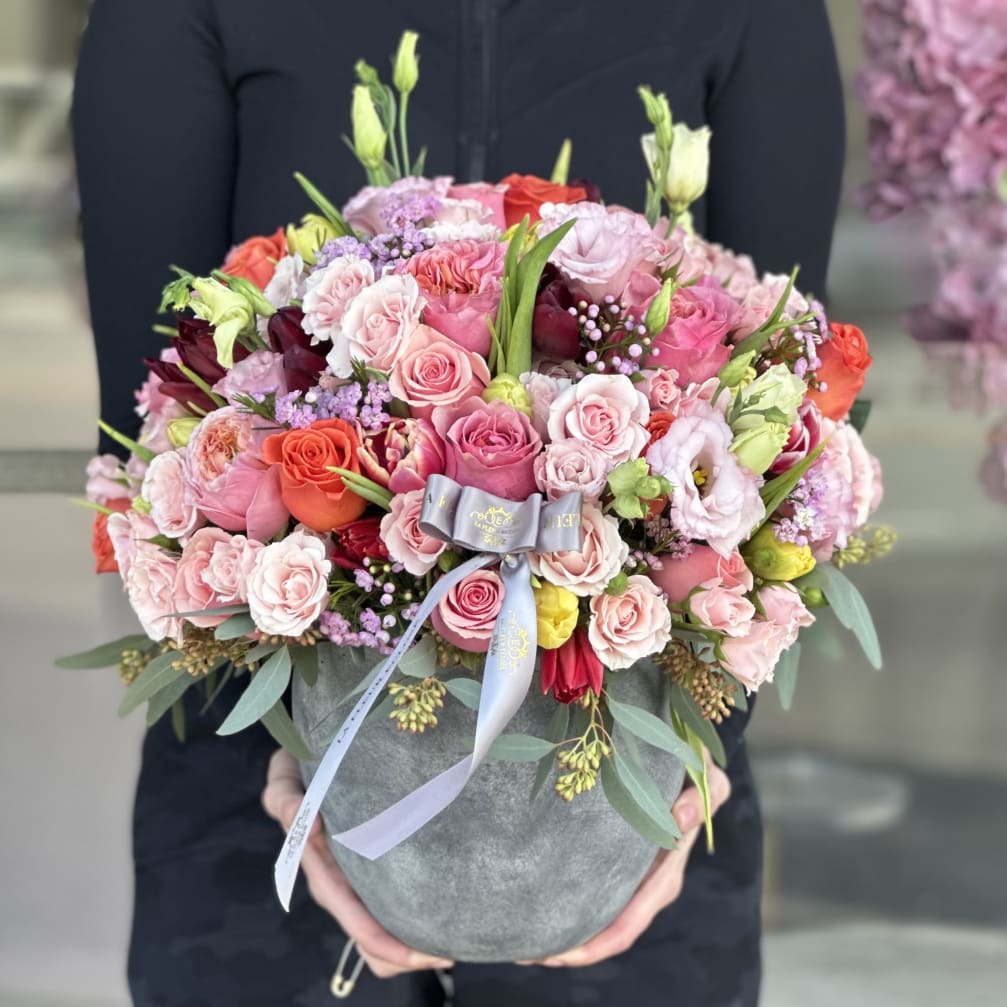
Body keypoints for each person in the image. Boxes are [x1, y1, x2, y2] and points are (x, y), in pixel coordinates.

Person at [72, 1, 844, 1003]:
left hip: (634, 813)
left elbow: (781, 431)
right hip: (265, 815)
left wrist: (689, 777)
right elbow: (161, 440)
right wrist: (294, 770)